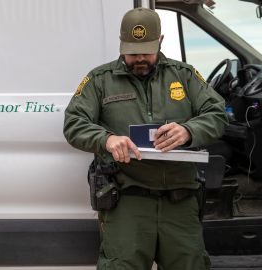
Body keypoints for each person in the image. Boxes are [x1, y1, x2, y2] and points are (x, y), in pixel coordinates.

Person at [63, 8, 228, 270]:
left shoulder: (183, 75)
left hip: (180, 199)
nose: (139, 58)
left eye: (146, 51)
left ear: (160, 41)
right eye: (132, 51)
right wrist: (106, 139)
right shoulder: (100, 80)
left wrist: (188, 130)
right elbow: (74, 124)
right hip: (128, 199)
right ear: (121, 44)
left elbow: (217, 114)